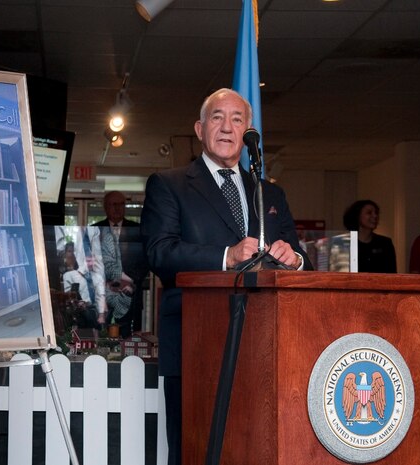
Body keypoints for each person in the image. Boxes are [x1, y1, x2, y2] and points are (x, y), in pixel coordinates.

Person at [140, 88, 312, 465]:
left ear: (248, 131)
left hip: (263, 344)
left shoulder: (270, 193)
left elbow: (303, 259)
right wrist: (226, 256)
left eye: (237, 119)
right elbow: (159, 253)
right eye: (217, 117)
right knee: (195, 450)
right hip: (195, 342)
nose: (227, 127)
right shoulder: (168, 184)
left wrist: (294, 259)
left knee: (253, 449)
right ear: (200, 129)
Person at [92, 191, 150, 338]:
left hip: (130, 292)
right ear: (105, 207)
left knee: (128, 336)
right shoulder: (95, 229)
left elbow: (145, 261)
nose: (118, 208)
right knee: (102, 333)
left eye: (121, 204)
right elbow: (89, 260)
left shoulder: (138, 230)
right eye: (114, 204)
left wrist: (128, 280)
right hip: (103, 293)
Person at [342, 199, 397, 273]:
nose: (375, 216)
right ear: (357, 216)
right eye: (369, 213)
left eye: (376, 213)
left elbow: (392, 274)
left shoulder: (385, 243)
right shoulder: (343, 243)